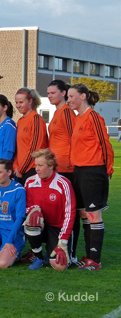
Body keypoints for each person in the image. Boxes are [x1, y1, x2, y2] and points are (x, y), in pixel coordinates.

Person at [68, 83, 114, 270]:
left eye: (71, 96)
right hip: (78, 171)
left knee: (94, 215)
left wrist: (107, 169)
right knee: (83, 214)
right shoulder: (78, 118)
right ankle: (88, 257)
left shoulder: (94, 117)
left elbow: (105, 144)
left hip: (93, 171)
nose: (69, 100)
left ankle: (95, 260)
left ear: (83, 96)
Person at [24, 149, 76, 271]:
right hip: (41, 226)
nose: (37, 169)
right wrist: (33, 210)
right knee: (31, 221)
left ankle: (52, 250)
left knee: (60, 266)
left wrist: (62, 242)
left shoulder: (63, 184)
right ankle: (38, 257)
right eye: (36, 165)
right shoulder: (30, 181)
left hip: (58, 228)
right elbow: (26, 206)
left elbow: (70, 214)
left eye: (40, 165)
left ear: (51, 165)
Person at [47, 80, 79, 262]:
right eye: (48, 93)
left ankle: (72, 254)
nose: (50, 95)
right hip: (57, 165)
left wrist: (70, 161)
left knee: (69, 211)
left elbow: (74, 137)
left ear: (64, 93)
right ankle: (61, 248)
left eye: (53, 92)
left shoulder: (66, 111)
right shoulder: (57, 112)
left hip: (66, 166)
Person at [14, 88, 48, 186]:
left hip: (32, 169)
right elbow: (19, 147)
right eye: (16, 102)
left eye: (21, 102)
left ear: (30, 101)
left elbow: (35, 148)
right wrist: (16, 166)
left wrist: (21, 169)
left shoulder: (36, 119)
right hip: (20, 170)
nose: (18, 105)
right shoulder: (20, 121)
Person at [0, 94, 17, 179]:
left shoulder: (9, 126)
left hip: (2, 174)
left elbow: (8, 153)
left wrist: (2, 171)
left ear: (5, 108)